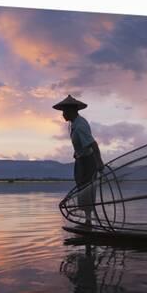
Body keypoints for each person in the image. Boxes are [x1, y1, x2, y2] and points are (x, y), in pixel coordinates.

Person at [53, 95, 104, 227]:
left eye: (64, 111)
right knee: (82, 187)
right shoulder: (74, 124)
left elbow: (93, 144)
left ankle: (88, 220)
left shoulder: (80, 125)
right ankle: (88, 220)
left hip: (88, 161)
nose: (63, 114)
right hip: (81, 160)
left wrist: (99, 163)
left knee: (87, 188)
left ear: (72, 111)